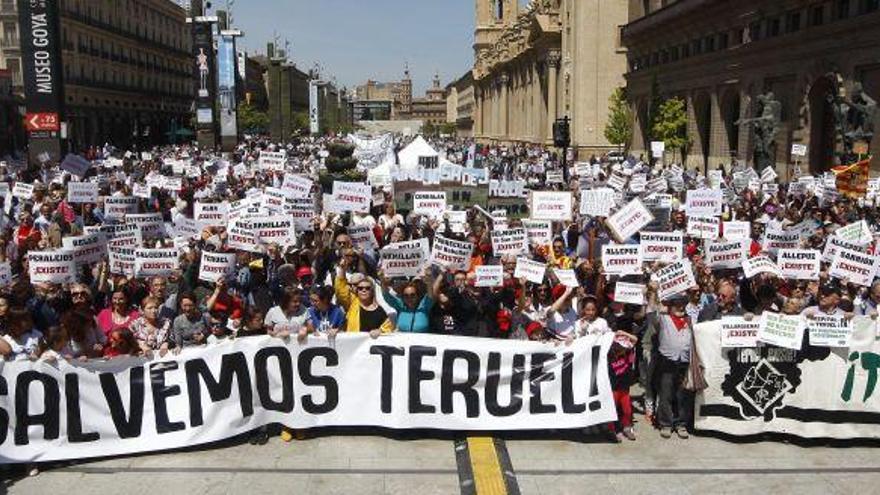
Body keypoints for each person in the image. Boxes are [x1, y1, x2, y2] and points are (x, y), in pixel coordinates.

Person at [644, 296, 694, 439]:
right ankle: (665, 423)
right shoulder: (664, 319)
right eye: (677, 304)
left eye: (683, 304)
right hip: (666, 362)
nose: (680, 307)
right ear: (670, 307)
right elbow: (651, 313)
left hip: (684, 362)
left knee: (682, 395)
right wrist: (653, 293)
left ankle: (681, 424)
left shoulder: (690, 320)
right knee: (665, 394)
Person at [334, 270, 393, 336]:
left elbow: (388, 328)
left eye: (367, 288)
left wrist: (380, 331)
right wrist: (342, 268)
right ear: (357, 291)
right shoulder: (352, 302)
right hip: (352, 344)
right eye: (360, 288)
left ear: (372, 291)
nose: (363, 290)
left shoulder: (380, 311)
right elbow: (341, 290)